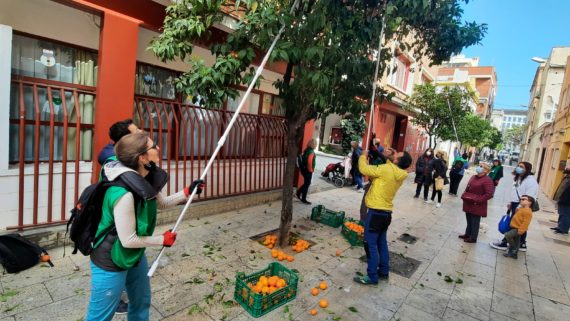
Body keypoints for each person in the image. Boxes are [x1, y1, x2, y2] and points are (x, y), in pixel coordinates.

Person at [86, 133, 203, 321]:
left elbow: (162, 203)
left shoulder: (144, 176)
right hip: (109, 260)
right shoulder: (122, 193)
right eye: (153, 146)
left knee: (141, 302)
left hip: (134, 255)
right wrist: (161, 240)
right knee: (100, 317)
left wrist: (187, 192)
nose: (157, 148)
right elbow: (128, 239)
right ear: (142, 158)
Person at [96, 119, 140, 315]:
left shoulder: (117, 158)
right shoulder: (115, 165)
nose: (141, 134)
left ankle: (118, 292)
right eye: (135, 133)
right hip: (112, 236)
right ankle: (115, 298)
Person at [353, 148, 412, 285]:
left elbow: (364, 169)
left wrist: (363, 156)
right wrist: (390, 156)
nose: (395, 153)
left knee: (370, 245)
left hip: (375, 213)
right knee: (381, 243)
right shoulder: (400, 173)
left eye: (397, 153)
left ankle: (372, 276)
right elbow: (389, 169)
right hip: (386, 213)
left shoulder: (386, 169)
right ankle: (384, 272)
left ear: (397, 160)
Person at [490, 162, 539, 251]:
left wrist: (520, 206)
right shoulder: (519, 178)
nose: (518, 168)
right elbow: (515, 191)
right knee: (519, 224)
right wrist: (511, 202)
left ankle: (505, 242)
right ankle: (522, 243)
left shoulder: (530, 181)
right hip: (515, 203)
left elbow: (529, 196)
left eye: (521, 167)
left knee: (514, 224)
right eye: (518, 166)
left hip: (523, 206)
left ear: (527, 169)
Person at [459, 162, 494, 243]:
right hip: (469, 201)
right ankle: (467, 234)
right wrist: (465, 195)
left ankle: (473, 237)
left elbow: (489, 194)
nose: (478, 167)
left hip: (477, 204)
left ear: (485, 171)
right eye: (479, 165)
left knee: (475, 221)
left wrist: (478, 200)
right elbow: (468, 187)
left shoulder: (487, 180)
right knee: (469, 219)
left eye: (481, 166)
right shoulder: (474, 177)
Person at [296, 139, 317, 204]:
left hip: (303, 169)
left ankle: (299, 193)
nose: (316, 145)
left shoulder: (306, 150)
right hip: (308, 170)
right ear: (313, 145)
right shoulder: (311, 152)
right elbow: (309, 162)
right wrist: (311, 170)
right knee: (307, 184)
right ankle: (303, 198)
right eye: (316, 144)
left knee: (307, 183)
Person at [553, 163, 570, 235]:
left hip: (567, 200)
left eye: (568, 167)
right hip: (562, 199)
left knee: (566, 214)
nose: (566, 168)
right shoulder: (567, 177)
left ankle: (563, 229)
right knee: (561, 213)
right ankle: (560, 226)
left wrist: (565, 199)